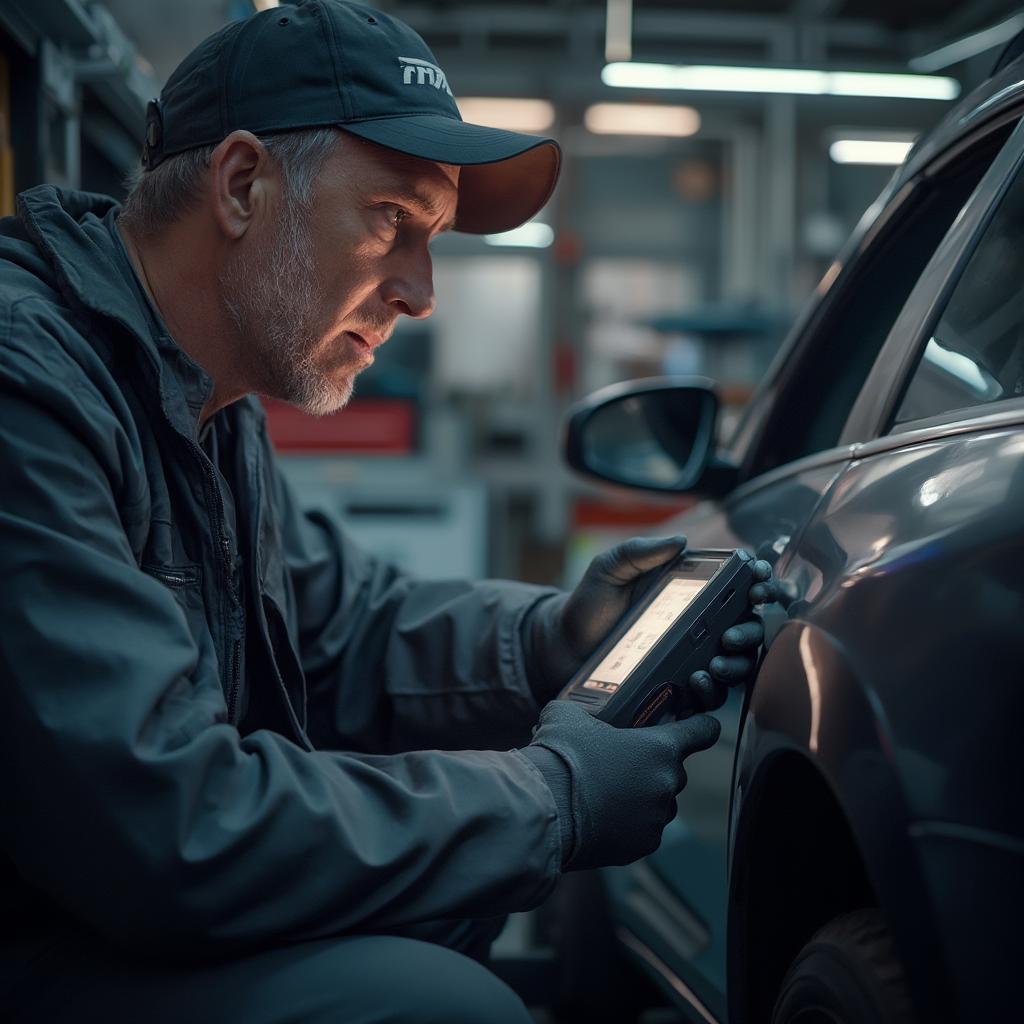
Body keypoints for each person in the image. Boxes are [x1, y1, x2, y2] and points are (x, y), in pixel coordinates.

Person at [0, 2, 771, 1021]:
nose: (421, 291)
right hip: (39, 932)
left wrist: (550, 636)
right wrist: (551, 797)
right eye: (391, 222)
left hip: (90, 910)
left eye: (433, 239)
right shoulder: (30, 388)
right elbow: (168, 822)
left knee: (453, 892)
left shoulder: (202, 403)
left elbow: (343, 628)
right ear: (241, 186)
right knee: (436, 1001)